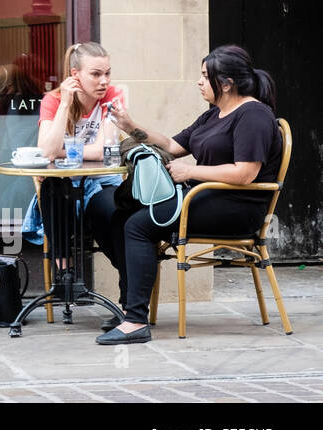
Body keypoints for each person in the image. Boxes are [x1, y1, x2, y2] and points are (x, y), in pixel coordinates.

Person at [94, 45, 282, 345]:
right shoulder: (214, 115)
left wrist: (191, 172)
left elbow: (245, 173)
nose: (199, 81)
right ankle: (130, 306)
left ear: (226, 83)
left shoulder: (254, 115)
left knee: (139, 225)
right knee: (123, 214)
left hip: (236, 207)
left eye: (205, 76)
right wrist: (130, 126)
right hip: (205, 198)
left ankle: (135, 321)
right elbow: (171, 145)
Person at [23, 43, 126, 299]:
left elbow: (105, 151)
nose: (104, 81)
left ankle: (129, 291)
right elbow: (46, 152)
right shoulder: (54, 100)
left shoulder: (113, 95)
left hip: (103, 181)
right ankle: (65, 275)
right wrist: (65, 105)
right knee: (52, 190)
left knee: (112, 212)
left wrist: (64, 151)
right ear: (75, 74)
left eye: (107, 73)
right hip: (63, 184)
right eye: (95, 74)